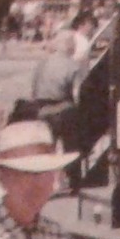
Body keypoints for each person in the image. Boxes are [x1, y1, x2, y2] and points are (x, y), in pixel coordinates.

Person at [31, 30, 85, 188]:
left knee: (46, 149)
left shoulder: (43, 63)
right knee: (71, 148)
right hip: (64, 109)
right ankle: (74, 182)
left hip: (43, 109)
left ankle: (42, 184)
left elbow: (34, 88)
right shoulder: (73, 66)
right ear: (69, 47)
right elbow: (77, 93)